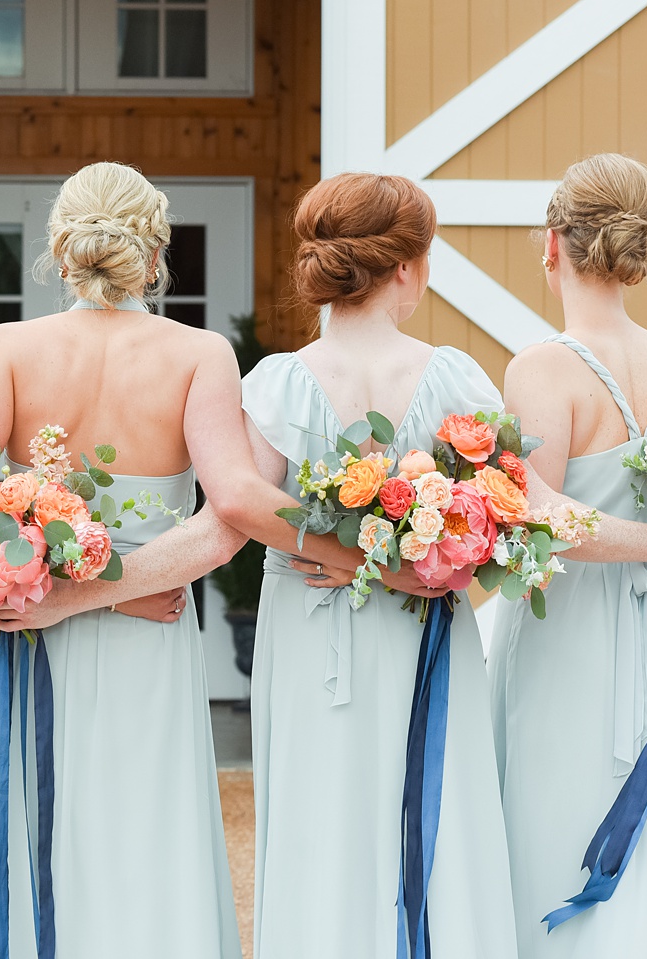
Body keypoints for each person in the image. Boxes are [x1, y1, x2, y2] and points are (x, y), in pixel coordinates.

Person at [0, 162, 361, 958]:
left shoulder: (6, 345)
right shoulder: (200, 351)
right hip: (147, 623)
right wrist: (362, 550)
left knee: (46, 828)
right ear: (157, 248)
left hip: (32, 624)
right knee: (146, 835)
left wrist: (62, 597)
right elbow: (229, 515)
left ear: (59, 247)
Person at [241, 172, 516, 958]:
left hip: (308, 624)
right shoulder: (456, 375)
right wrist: (410, 564)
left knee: (317, 810)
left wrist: (343, 550)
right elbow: (500, 512)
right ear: (407, 268)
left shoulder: (279, 382)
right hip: (426, 615)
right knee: (444, 800)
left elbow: (248, 506)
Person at [494, 153, 647, 956]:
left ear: (553, 244)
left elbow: (536, 511)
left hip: (571, 633)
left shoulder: (543, 366)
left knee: (551, 813)